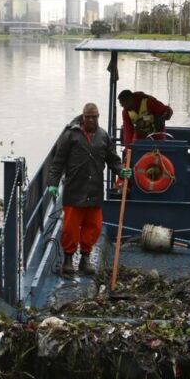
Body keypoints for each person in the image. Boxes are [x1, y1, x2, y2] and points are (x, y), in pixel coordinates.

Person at [47, 103, 132, 275]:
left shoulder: (103, 136)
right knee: (71, 227)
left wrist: (121, 170)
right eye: (88, 116)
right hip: (74, 189)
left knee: (93, 226)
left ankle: (85, 259)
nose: (91, 119)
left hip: (94, 190)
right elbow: (58, 162)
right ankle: (68, 259)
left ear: (98, 116)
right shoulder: (70, 135)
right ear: (83, 116)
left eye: (94, 116)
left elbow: (113, 159)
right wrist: (53, 183)